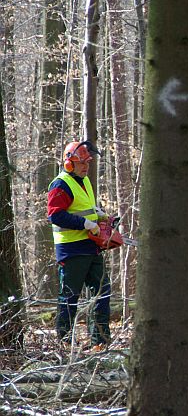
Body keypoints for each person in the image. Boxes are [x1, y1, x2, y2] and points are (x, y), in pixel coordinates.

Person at [47, 140, 111, 351]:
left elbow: (84, 207)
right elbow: (55, 215)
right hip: (72, 249)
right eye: (82, 162)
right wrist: (86, 223)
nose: (86, 166)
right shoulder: (61, 184)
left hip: (91, 246)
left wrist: (99, 215)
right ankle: (64, 342)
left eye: (87, 162)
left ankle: (100, 341)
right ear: (69, 163)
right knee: (69, 296)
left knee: (102, 292)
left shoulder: (84, 181)